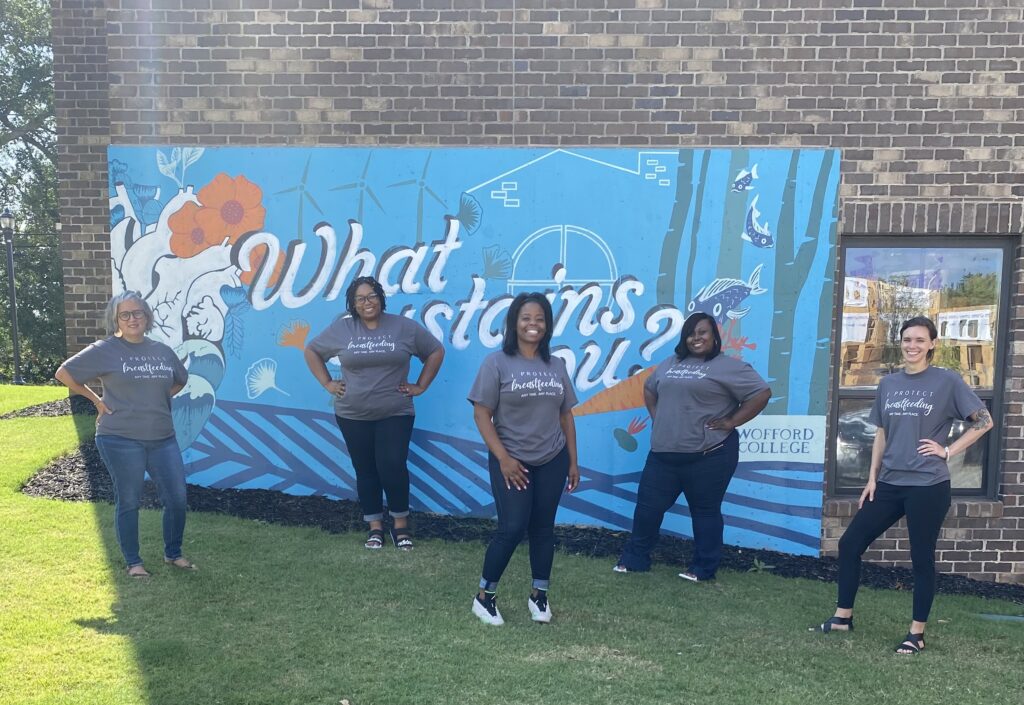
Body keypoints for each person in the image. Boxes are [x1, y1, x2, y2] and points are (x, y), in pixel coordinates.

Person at [815, 316, 992, 654]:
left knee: (921, 558)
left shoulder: (947, 381)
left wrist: (947, 450)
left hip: (928, 485)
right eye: (907, 339)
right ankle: (842, 617)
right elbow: (881, 432)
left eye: (919, 340)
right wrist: (871, 478)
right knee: (850, 544)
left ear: (932, 344)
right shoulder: (889, 384)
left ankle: (917, 634)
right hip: (889, 484)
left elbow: (985, 420)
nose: (912, 346)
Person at [614, 312, 771, 582]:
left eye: (702, 333)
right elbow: (650, 389)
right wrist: (658, 417)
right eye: (691, 333)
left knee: (705, 512)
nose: (696, 338)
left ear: (714, 337)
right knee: (647, 510)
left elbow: (761, 393)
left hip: (710, 455)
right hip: (663, 455)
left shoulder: (728, 366)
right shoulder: (670, 364)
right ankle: (635, 560)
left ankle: (703, 568)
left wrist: (732, 421)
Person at [55, 291, 191, 578]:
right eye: (125, 314)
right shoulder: (105, 349)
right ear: (115, 319)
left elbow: (180, 379)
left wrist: (155, 399)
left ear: (147, 316)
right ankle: (134, 562)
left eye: (137, 313)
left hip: (163, 438)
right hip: (119, 438)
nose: (132, 319)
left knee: (177, 498)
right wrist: (97, 400)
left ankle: (173, 553)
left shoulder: (162, 351)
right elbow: (65, 373)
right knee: (129, 499)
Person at [304, 276, 444, 551]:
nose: (367, 302)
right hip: (352, 413)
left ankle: (400, 525)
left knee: (392, 465)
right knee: (365, 469)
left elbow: (435, 351)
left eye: (372, 296)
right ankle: (375, 528)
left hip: (396, 411)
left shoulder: (404, 327)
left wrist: (421, 385)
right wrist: (328, 383)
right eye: (360, 299)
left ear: (381, 298)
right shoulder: (343, 329)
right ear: (353, 305)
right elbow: (312, 351)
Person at [468, 293, 579, 626]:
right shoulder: (497, 362)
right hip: (512, 461)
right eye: (526, 318)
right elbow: (481, 414)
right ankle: (484, 597)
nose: (534, 324)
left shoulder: (555, 365)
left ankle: (539, 596)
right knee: (512, 527)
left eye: (540, 319)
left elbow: (566, 416)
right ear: (514, 323)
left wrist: (573, 461)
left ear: (547, 325)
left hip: (553, 458)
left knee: (543, 528)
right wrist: (503, 458)